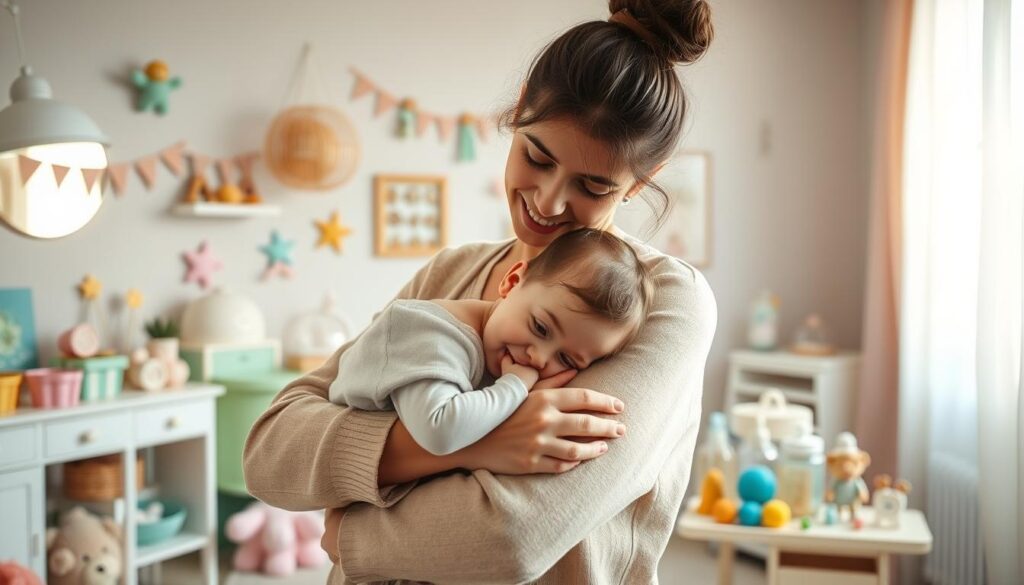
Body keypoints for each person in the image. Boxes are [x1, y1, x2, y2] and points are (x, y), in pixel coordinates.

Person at [243, 0, 717, 582]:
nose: (548, 202)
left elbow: (511, 536)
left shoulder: (666, 303)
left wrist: (351, 534)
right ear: (519, 110)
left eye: (592, 186)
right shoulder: (449, 274)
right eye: (536, 157)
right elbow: (269, 451)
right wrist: (472, 443)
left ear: (644, 179)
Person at [329, 228, 652, 457]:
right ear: (511, 282)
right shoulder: (430, 332)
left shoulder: (492, 348)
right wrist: (515, 388)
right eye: (540, 327)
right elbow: (439, 431)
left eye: (567, 360)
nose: (539, 359)